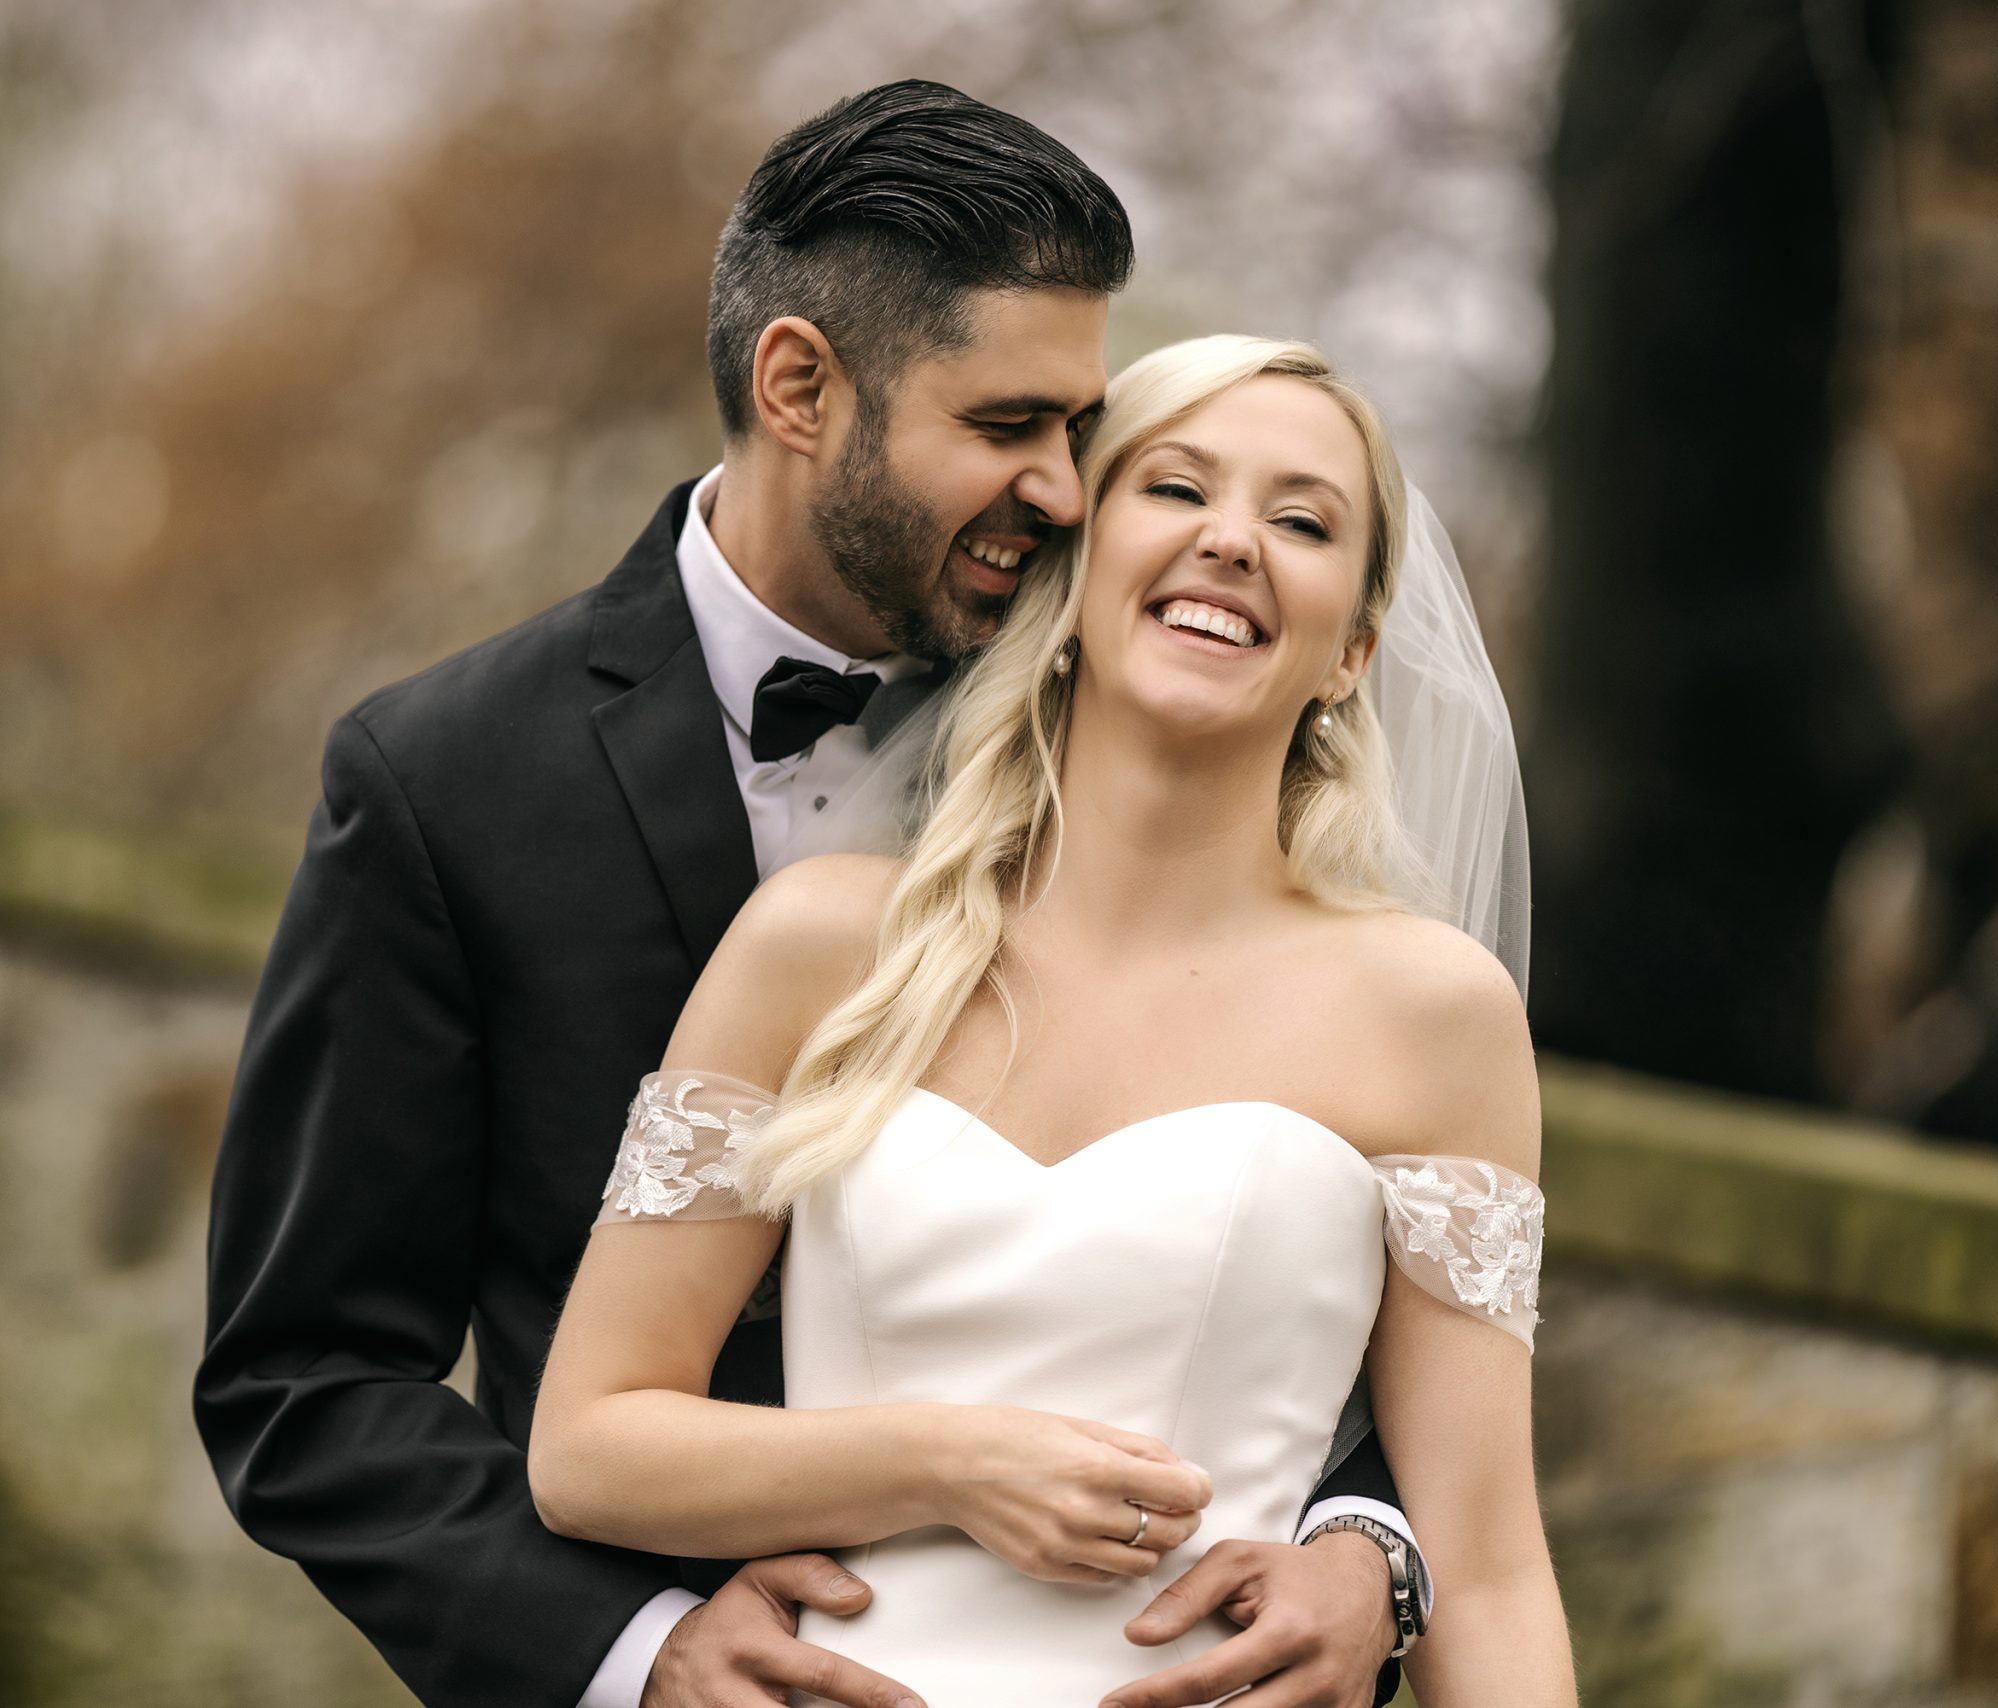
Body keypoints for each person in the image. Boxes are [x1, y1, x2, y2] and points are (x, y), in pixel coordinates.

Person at [196, 84, 1430, 1708]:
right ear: (799, 386)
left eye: (1079, 429)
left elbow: (1350, 1231)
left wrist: (1372, 1553)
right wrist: (634, 1659)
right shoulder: (446, 782)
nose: (1063, 491)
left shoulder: (1136, 698)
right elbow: (309, 1374)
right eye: (1007, 428)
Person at [529, 335, 1577, 1707]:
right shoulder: (825, 944)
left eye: (1303, 520)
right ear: (1074, 574)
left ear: (1354, 651)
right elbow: (587, 1446)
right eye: (1178, 489)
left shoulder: (1432, 1015)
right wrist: (944, 1464)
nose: (1234, 543)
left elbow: (1488, 1571)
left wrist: (1378, 1563)